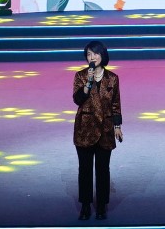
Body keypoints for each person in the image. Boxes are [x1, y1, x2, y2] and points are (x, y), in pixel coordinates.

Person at [72, 40, 122, 220]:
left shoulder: (113, 78)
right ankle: (85, 205)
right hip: (85, 129)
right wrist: (88, 83)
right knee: (85, 169)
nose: (92, 57)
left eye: (95, 53)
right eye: (88, 54)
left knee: (103, 169)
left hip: (105, 130)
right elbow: (77, 100)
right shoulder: (80, 76)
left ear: (103, 55)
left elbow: (116, 104)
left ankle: (101, 205)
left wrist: (117, 126)